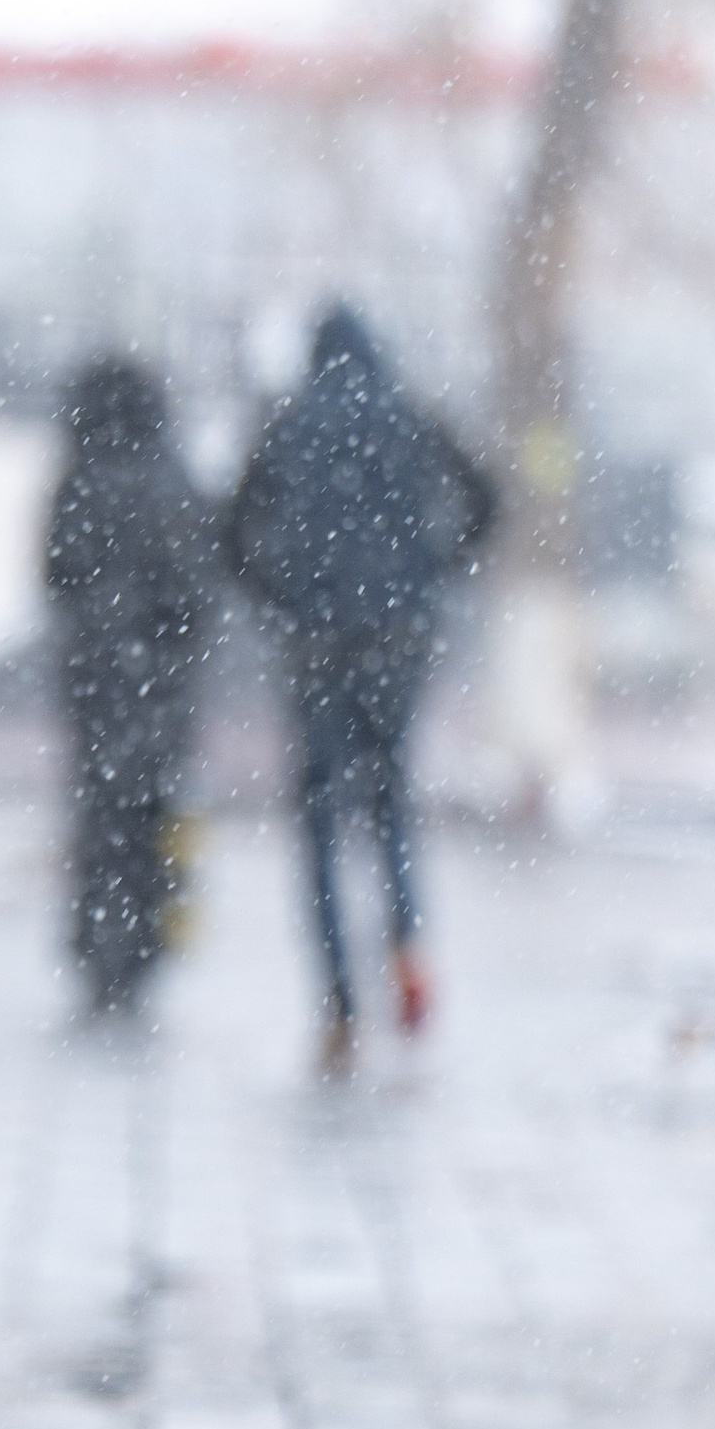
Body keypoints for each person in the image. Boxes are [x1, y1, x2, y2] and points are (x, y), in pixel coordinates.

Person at [227, 306, 498, 1075]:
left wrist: (282, 597)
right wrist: (435, 568)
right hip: (400, 639)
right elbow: (487, 500)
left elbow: (233, 530)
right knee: (391, 803)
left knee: (317, 821)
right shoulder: (412, 414)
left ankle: (339, 997)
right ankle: (409, 944)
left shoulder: (288, 422)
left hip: (317, 643)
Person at [43, 355, 219, 1018]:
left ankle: (95, 942)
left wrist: (98, 624)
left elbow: (53, 571)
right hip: (162, 686)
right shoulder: (172, 477)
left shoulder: (79, 478)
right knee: (154, 811)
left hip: (93, 678)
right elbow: (197, 589)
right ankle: (146, 943)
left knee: (97, 810)